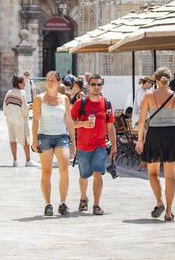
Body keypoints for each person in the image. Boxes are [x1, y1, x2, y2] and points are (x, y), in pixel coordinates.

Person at [136, 67, 175, 222]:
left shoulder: (148, 96)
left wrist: (140, 140)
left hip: (154, 135)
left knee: (153, 174)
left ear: (156, 80)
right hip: (171, 135)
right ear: (169, 79)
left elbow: (142, 121)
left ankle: (159, 202)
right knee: (170, 176)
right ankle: (169, 211)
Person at [71, 74, 117, 216]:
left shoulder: (107, 104)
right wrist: (84, 123)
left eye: (99, 84)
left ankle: (96, 205)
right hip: (83, 146)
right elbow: (70, 123)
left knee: (98, 174)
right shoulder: (80, 104)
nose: (96, 87)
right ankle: (83, 197)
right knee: (84, 176)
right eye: (93, 84)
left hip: (100, 145)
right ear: (88, 86)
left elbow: (110, 127)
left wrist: (114, 146)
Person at [31, 71, 75, 216]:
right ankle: (48, 203)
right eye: (47, 80)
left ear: (58, 82)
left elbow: (69, 121)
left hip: (62, 136)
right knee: (47, 171)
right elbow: (36, 120)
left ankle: (62, 203)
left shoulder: (65, 99)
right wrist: (34, 139)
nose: (49, 82)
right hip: (45, 137)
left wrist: (73, 142)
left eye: (52, 80)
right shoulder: (39, 99)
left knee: (64, 169)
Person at [3, 75, 33, 167]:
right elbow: (24, 110)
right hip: (20, 120)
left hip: (10, 120)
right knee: (25, 139)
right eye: (23, 83)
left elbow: (5, 108)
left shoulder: (8, 92)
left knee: (12, 139)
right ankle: (28, 161)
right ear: (19, 84)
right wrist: (29, 107)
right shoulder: (22, 93)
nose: (25, 84)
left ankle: (15, 161)